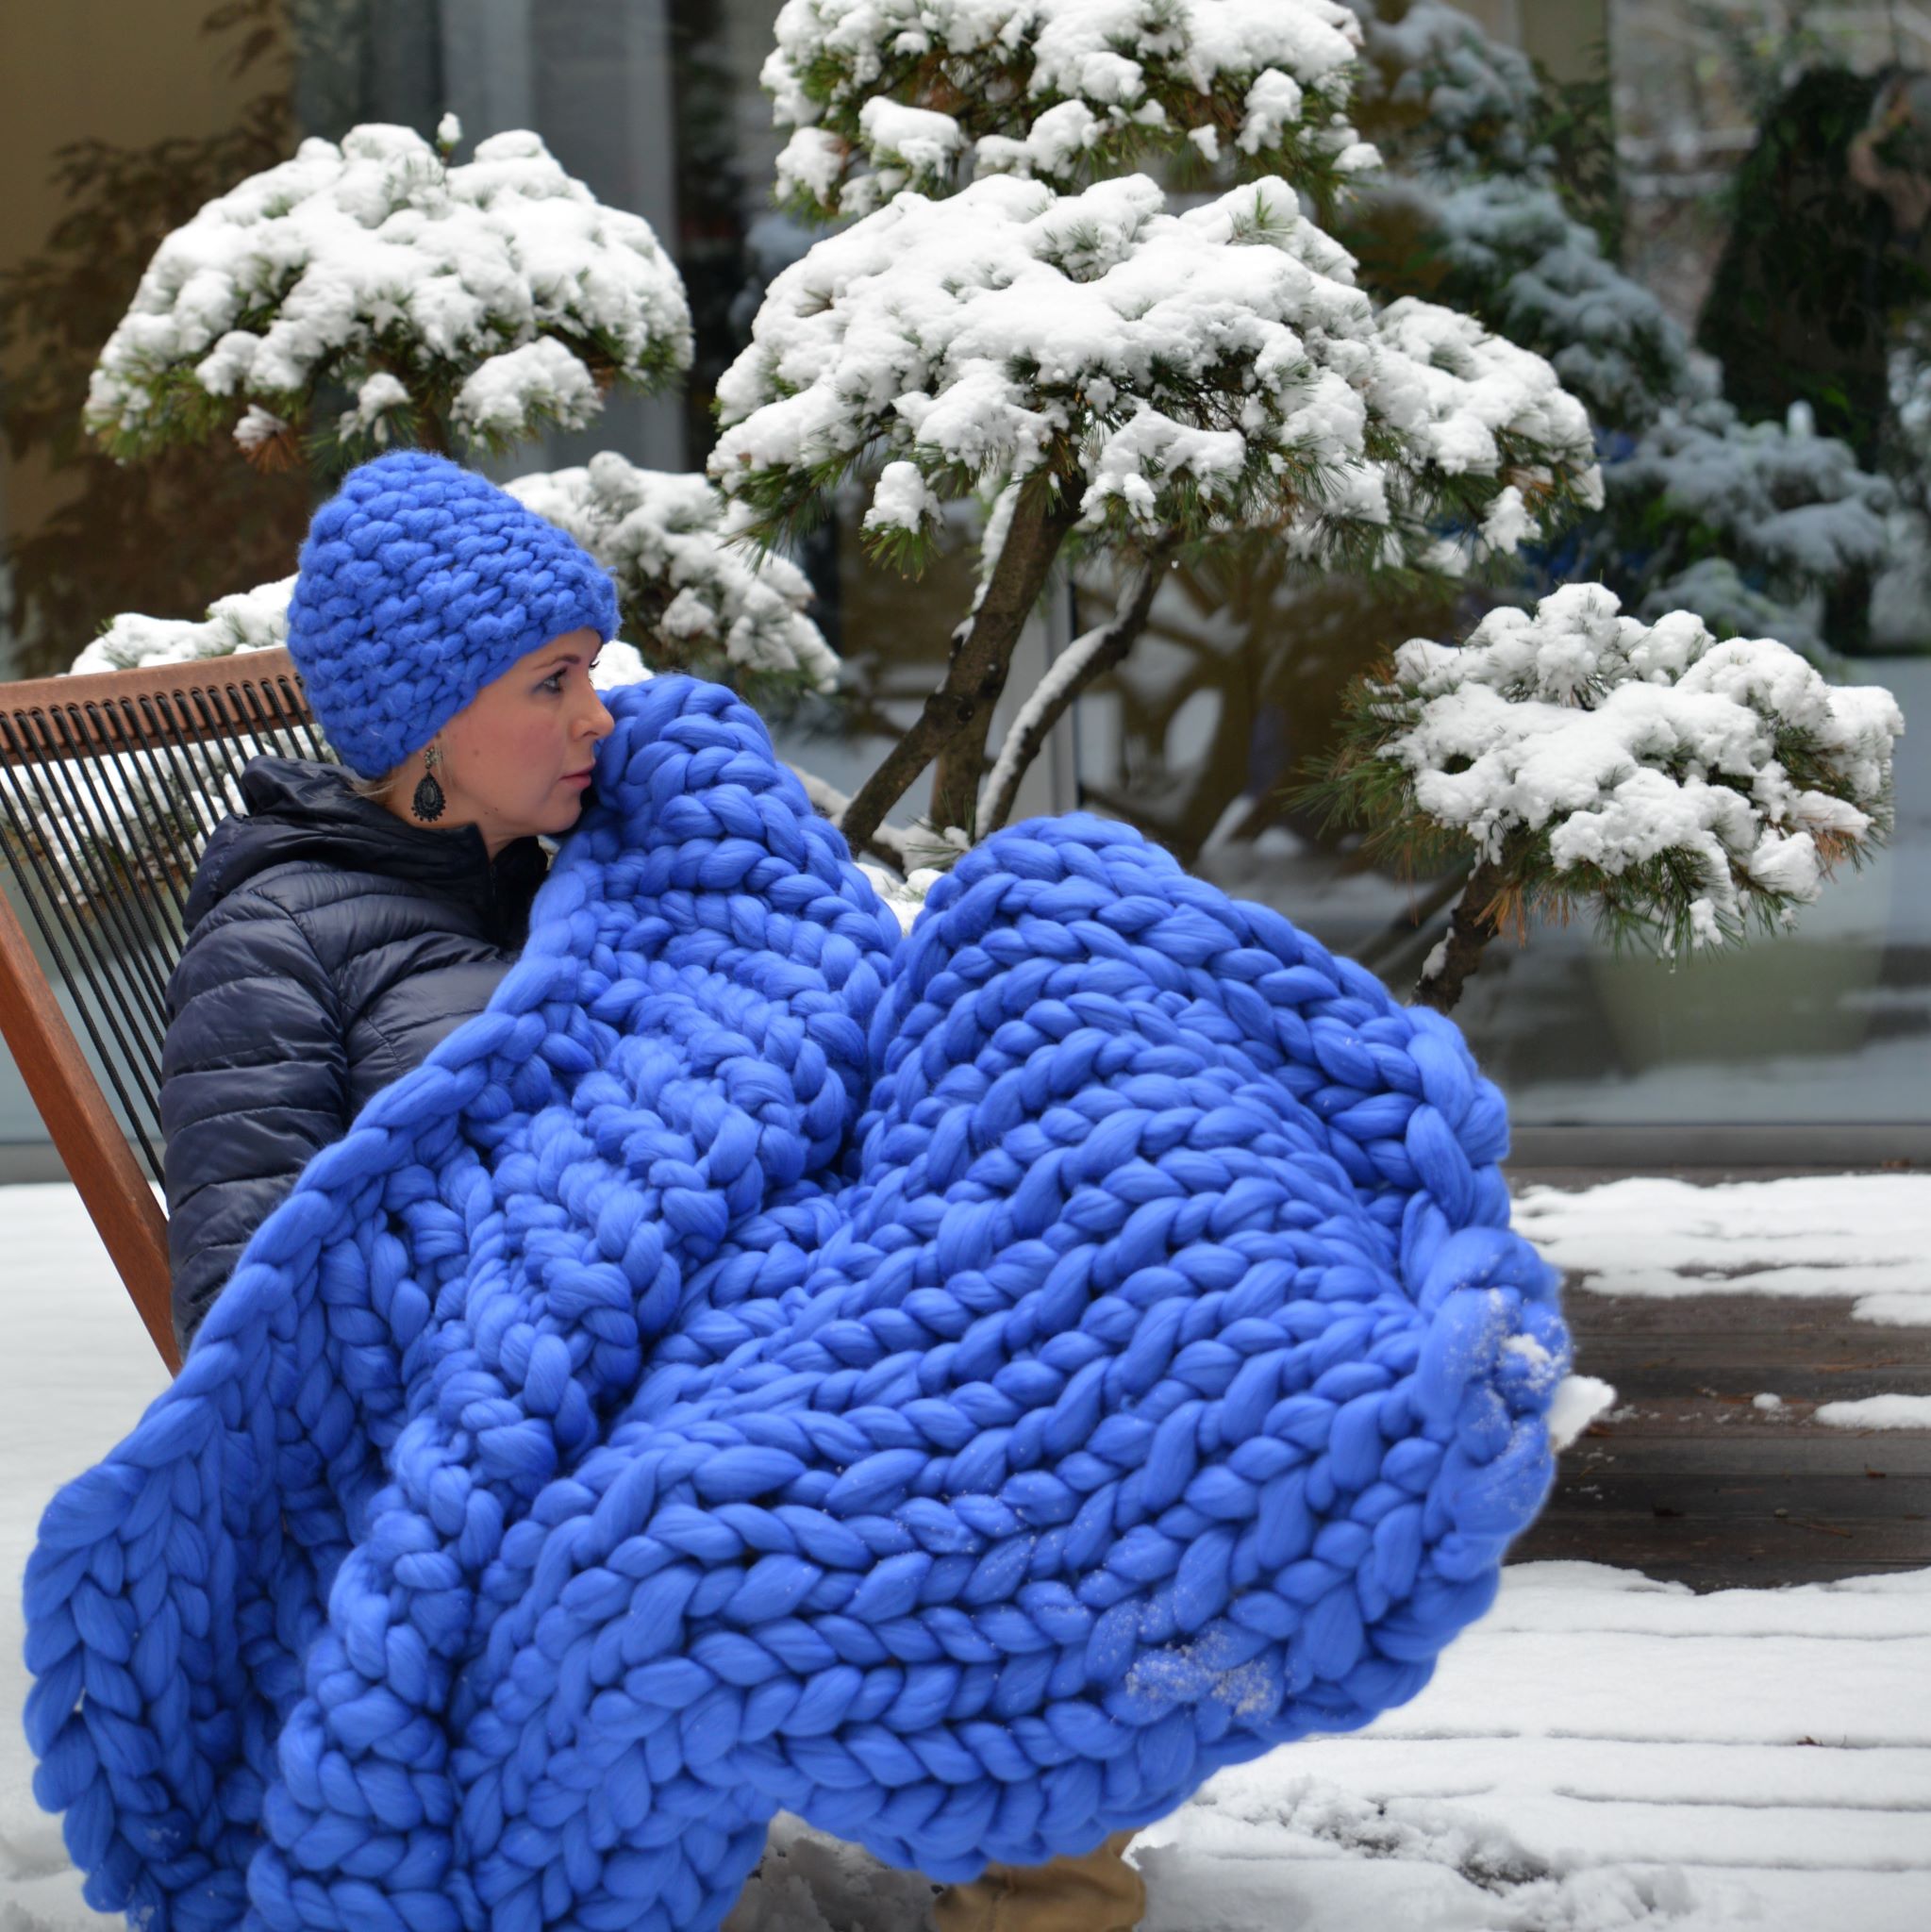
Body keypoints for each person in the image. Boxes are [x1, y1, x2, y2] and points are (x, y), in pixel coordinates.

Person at [161, 449, 1148, 1930]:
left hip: (739, 1326)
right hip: (538, 1421)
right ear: (435, 718)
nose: (597, 716)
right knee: (888, 1493)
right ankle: (1038, 1872)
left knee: (1066, 1361)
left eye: (590, 673)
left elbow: (791, 1039)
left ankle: (1054, 1858)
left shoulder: (598, 864)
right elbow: (247, 1305)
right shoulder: (284, 939)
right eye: (551, 683)